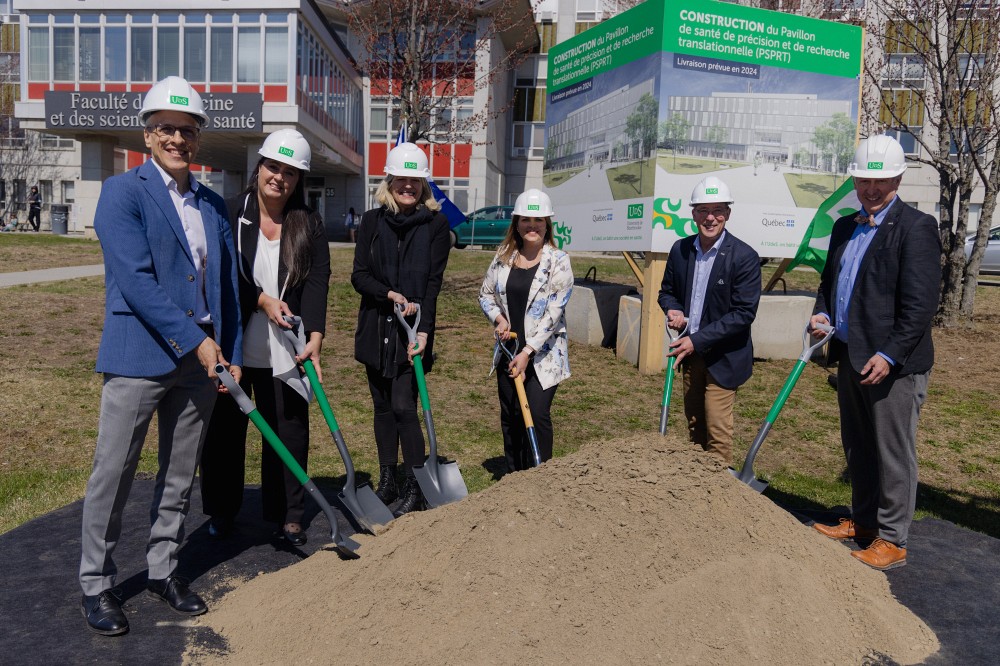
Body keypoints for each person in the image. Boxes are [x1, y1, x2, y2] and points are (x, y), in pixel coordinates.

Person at [78, 76, 242, 636]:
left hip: (201, 362)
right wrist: (198, 342)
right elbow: (137, 282)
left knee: (178, 475)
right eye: (167, 129)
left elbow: (226, 288)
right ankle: (96, 584)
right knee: (115, 473)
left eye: (188, 131)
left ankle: (163, 569)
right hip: (138, 354)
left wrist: (231, 351)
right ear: (147, 136)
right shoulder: (122, 194)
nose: (178, 139)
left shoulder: (212, 204)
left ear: (198, 139)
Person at [809, 135, 941, 571]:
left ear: (898, 178)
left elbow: (920, 306)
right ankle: (863, 521)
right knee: (859, 445)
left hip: (892, 365)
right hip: (850, 353)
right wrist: (822, 315)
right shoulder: (847, 225)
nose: (870, 188)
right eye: (864, 179)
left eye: (880, 181)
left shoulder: (916, 228)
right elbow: (830, 284)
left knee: (892, 451)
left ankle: (892, 538)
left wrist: (889, 355)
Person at [200, 129, 330, 546]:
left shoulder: (307, 222)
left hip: (285, 350)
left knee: (289, 432)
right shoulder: (230, 212)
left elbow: (318, 282)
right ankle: (222, 510)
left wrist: (315, 335)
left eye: (290, 173)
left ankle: (288, 514)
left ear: (299, 180)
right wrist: (261, 300)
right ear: (260, 167)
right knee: (225, 435)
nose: (280, 178)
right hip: (237, 345)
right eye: (274, 167)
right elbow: (222, 277)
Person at [351, 142, 450, 516]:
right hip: (376, 327)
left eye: (415, 180)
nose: (408, 186)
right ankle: (388, 478)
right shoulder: (372, 222)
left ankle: (416, 485)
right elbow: (358, 275)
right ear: (389, 180)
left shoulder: (436, 225)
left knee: (403, 406)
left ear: (423, 185)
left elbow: (433, 283)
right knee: (381, 407)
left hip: (412, 333)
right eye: (401, 179)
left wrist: (424, 331)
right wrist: (387, 293)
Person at [657, 176, 761, 466]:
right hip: (691, 357)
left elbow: (743, 314)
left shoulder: (744, 257)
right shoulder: (681, 250)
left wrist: (696, 340)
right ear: (693, 214)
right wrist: (673, 309)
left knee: (717, 430)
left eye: (717, 210)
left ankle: (720, 498)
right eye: (703, 210)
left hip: (724, 357)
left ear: (728, 214)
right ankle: (699, 491)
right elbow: (667, 292)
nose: (710, 217)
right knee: (695, 424)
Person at [479, 188, 573, 472]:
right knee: (510, 415)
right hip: (509, 350)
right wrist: (499, 319)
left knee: (537, 413)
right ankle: (513, 476)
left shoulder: (559, 260)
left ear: (547, 224)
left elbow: (554, 313)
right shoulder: (503, 256)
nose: (532, 226)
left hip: (543, 354)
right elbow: (485, 294)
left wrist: (528, 351)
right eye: (526, 221)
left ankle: (540, 475)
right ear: (516, 224)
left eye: (539, 221)